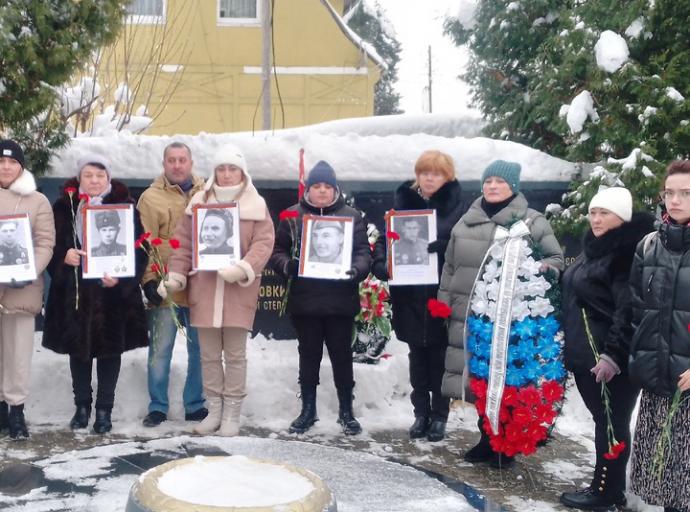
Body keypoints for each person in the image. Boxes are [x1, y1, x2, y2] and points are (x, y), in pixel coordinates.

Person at [440, 159, 563, 467]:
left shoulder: (532, 222)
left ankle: (507, 442)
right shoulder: (465, 222)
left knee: (509, 381)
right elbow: (450, 266)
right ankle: (486, 438)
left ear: (514, 186)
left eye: (499, 181)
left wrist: (544, 271)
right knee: (478, 378)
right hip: (472, 315)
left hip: (513, 320)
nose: (492, 186)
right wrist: (444, 301)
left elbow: (556, 258)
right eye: (488, 180)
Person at [160, 144, 274, 436]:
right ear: (214, 171)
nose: (226, 174)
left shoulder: (255, 204)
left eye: (232, 168)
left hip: (239, 290)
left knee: (235, 355)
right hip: (206, 289)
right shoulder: (199, 201)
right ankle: (215, 412)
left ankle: (232, 414)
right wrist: (176, 275)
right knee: (208, 355)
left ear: (242, 171)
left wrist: (244, 267)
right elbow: (184, 242)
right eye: (221, 168)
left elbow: (264, 242)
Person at [560, 187, 654, 511]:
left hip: (609, 361)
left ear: (623, 217)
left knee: (611, 424)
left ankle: (607, 492)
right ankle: (606, 486)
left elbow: (627, 311)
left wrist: (612, 356)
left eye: (605, 213)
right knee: (606, 423)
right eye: (593, 212)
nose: (596, 219)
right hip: (588, 355)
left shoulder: (625, 253)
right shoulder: (597, 248)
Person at [42, 154, 148, 434]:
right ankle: (82, 406)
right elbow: (49, 247)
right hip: (75, 294)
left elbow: (140, 251)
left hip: (113, 295)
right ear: (80, 179)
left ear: (108, 179)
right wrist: (63, 258)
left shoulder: (126, 208)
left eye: (100, 176)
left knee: (110, 352)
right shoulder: (63, 208)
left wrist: (123, 277)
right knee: (78, 352)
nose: (94, 181)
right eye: (88, 175)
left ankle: (104, 410)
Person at [269, 160, 372, 435]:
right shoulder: (292, 216)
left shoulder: (352, 216)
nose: (322, 191)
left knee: (342, 355)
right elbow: (277, 250)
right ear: (309, 189)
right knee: (309, 355)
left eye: (328, 186)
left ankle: (346, 411)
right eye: (317, 186)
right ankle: (308, 410)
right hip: (306, 300)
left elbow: (363, 252)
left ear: (335, 189)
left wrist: (357, 270)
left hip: (340, 299)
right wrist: (287, 266)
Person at [372, 150, 468, 442]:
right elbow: (384, 244)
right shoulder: (402, 205)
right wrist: (382, 265)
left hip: (441, 296)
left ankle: (440, 417)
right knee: (417, 359)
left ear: (447, 177)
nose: (429, 178)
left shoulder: (460, 210)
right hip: (410, 297)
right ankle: (420, 414)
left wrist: (446, 247)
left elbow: (468, 248)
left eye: (436, 173)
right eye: (424, 172)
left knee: (440, 360)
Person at [628, 160, 690, 512]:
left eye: (686, 193)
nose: (676, 200)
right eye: (670, 192)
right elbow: (637, 308)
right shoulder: (648, 246)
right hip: (658, 380)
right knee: (666, 483)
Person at [136, 142, 207, 428]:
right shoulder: (150, 198)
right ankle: (158, 406)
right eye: (171, 160)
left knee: (200, 350)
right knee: (160, 349)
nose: (177, 165)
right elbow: (144, 242)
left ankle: (195, 403)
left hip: (201, 285)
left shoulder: (208, 195)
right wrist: (149, 280)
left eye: (182, 160)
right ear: (164, 164)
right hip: (166, 284)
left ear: (191, 163)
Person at [0, 139, 55, 439]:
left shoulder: (37, 201)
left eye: (12, 162)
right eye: (1, 162)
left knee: (19, 352)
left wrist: (30, 270)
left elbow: (45, 242)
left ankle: (16, 411)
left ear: (20, 167)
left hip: (22, 288)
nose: (6, 167)